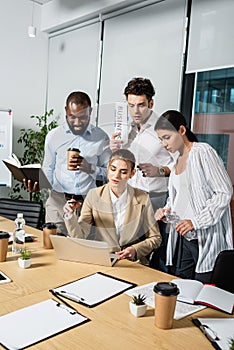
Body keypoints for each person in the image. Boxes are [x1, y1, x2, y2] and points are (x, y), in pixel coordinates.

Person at [154, 110, 233, 283]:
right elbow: (178, 199)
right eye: (161, 139)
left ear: (182, 130)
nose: (164, 144)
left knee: (205, 290)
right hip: (185, 238)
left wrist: (196, 222)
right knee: (182, 288)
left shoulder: (202, 152)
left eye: (167, 137)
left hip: (204, 238)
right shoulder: (176, 162)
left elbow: (224, 192)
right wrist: (166, 211)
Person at [110, 77, 175, 272]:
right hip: (131, 197)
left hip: (156, 200)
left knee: (156, 253)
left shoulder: (164, 127)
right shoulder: (126, 129)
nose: (136, 112)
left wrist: (160, 171)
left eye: (141, 105)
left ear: (151, 103)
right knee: (129, 254)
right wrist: (114, 149)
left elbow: (181, 164)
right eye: (131, 106)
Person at [26, 91, 111, 235]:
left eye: (83, 118)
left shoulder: (101, 137)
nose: (77, 123)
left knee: (82, 249)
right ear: (66, 111)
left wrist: (89, 168)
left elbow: (110, 173)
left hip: (87, 202)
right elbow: (48, 169)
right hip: (58, 201)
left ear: (90, 112)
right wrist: (39, 185)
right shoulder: (54, 136)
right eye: (72, 117)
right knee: (53, 246)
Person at [63, 149, 162, 265]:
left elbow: (155, 238)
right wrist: (70, 216)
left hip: (132, 263)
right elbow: (80, 236)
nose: (116, 176)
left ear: (132, 173)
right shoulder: (94, 195)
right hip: (102, 259)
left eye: (123, 172)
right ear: (108, 168)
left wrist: (135, 249)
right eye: (113, 169)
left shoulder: (142, 198)